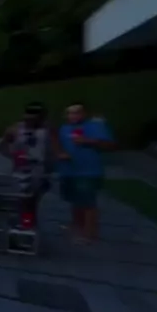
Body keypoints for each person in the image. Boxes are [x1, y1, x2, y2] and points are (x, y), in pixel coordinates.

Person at [57, 102, 115, 243]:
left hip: (88, 171)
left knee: (88, 203)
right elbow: (58, 145)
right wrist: (60, 154)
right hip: (69, 171)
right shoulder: (64, 128)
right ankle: (76, 226)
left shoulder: (95, 126)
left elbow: (109, 145)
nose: (73, 116)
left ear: (84, 113)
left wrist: (88, 141)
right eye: (70, 113)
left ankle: (89, 234)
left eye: (77, 112)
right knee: (75, 200)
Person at [0, 102, 56, 229]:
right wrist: (13, 155)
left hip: (40, 171)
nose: (31, 120)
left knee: (32, 202)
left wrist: (50, 166)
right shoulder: (15, 129)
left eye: (36, 117)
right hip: (21, 171)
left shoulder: (48, 130)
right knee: (24, 201)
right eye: (29, 117)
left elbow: (55, 150)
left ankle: (28, 225)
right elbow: (1, 147)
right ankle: (26, 225)